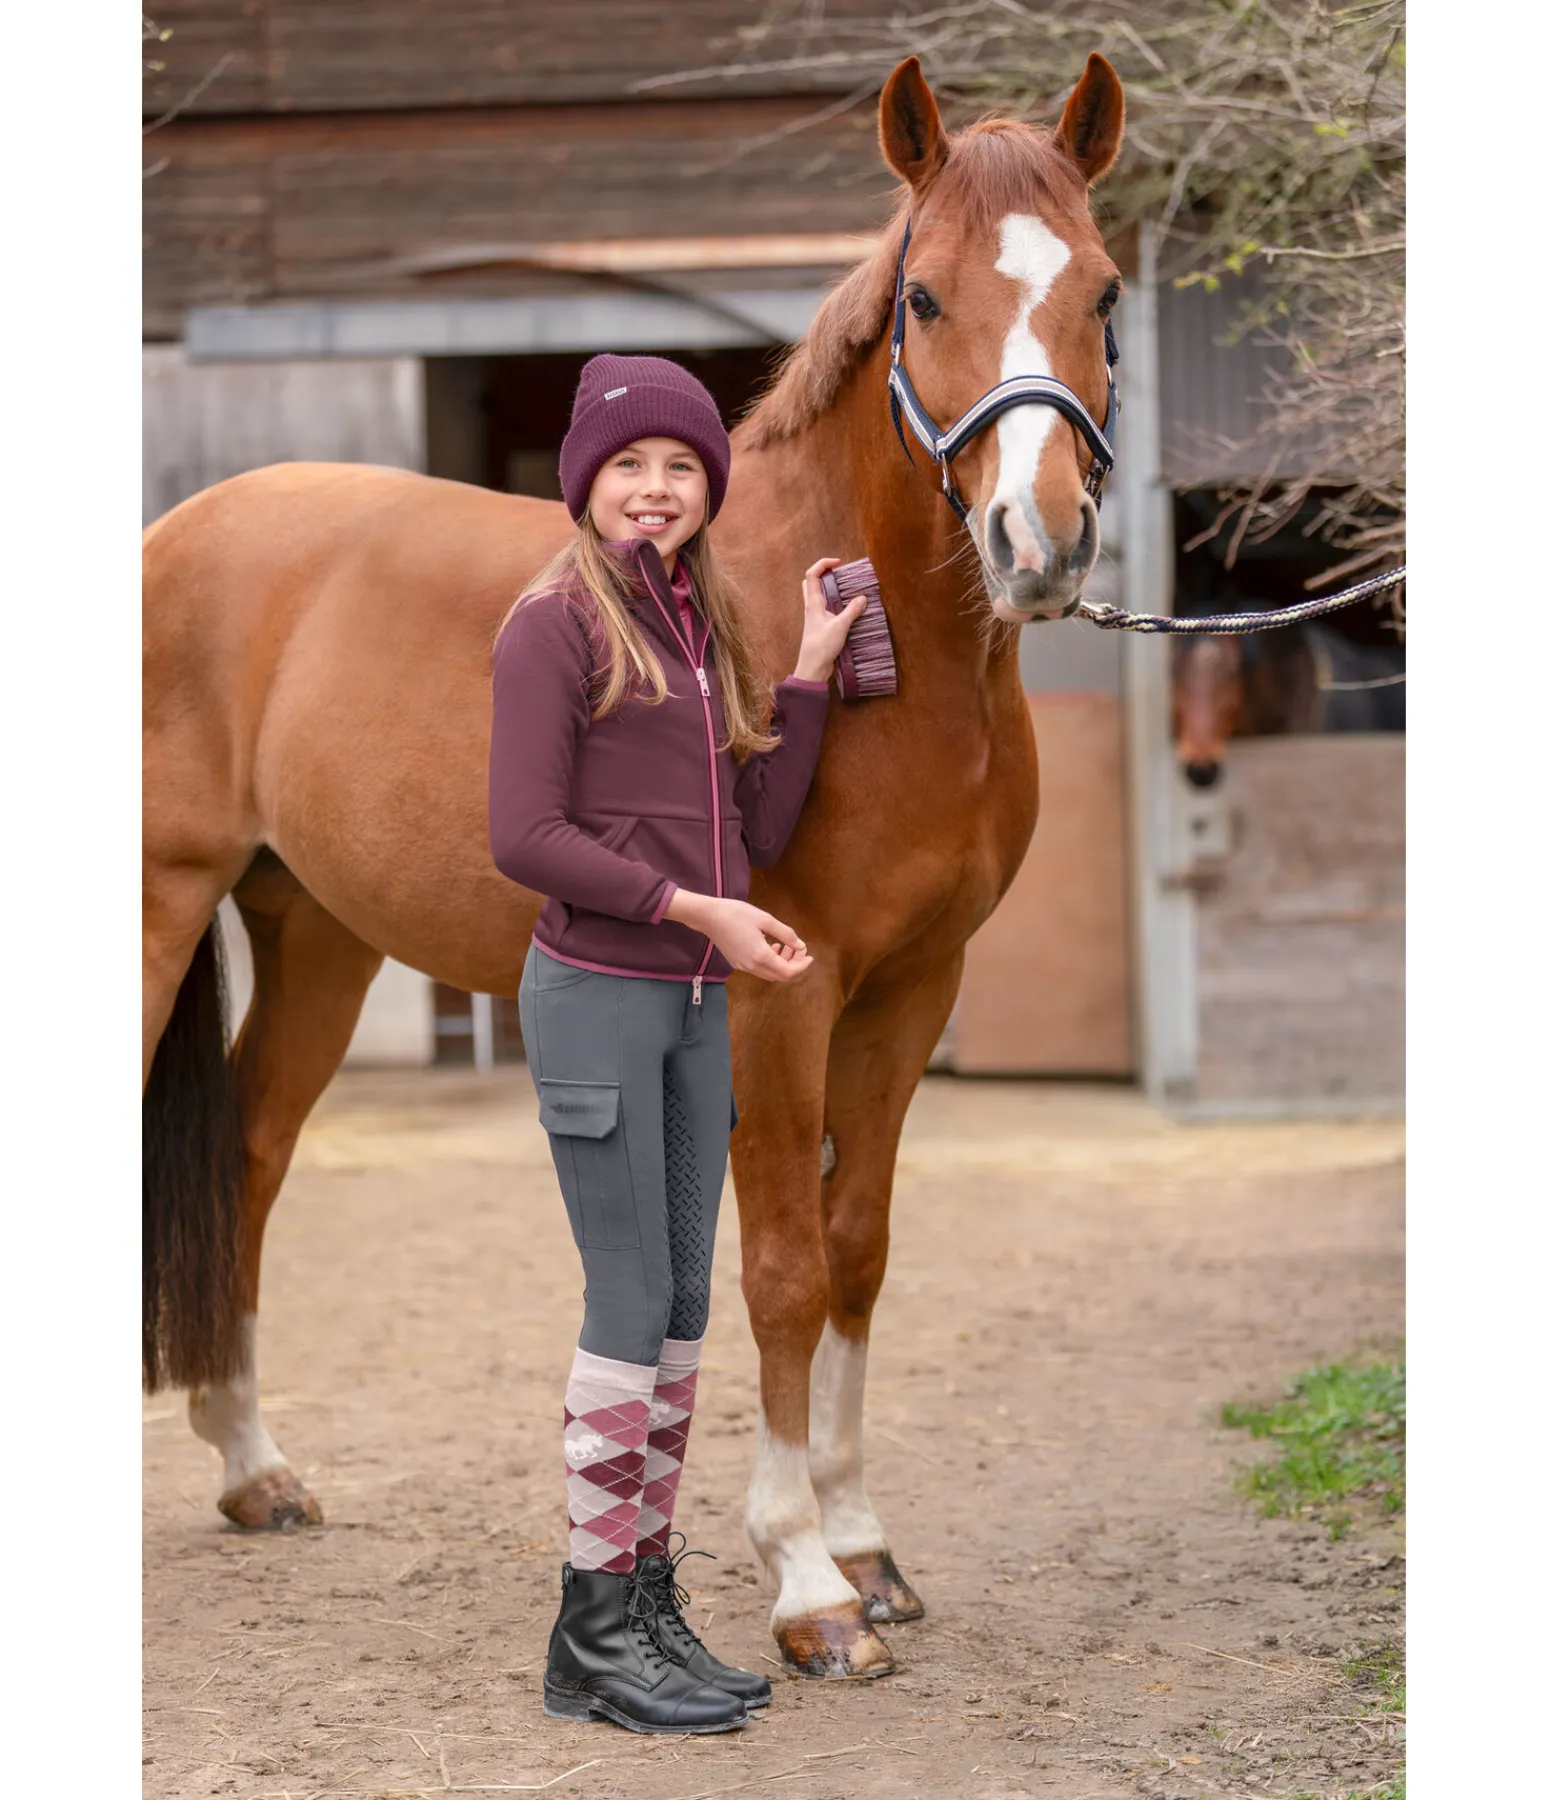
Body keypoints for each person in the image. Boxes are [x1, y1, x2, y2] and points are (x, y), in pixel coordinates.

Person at [488, 354, 867, 1735]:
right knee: (626, 1298)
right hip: (598, 996)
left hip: (696, 1007)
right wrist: (693, 910)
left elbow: (751, 830)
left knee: (683, 1309)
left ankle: (645, 1605)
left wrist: (808, 674)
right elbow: (523, 837)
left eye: (682, 469)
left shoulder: (701, 630)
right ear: (585, 485)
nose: (655, 490)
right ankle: (591, 1632)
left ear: (710, 490)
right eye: (630, 468)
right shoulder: (554, 625)